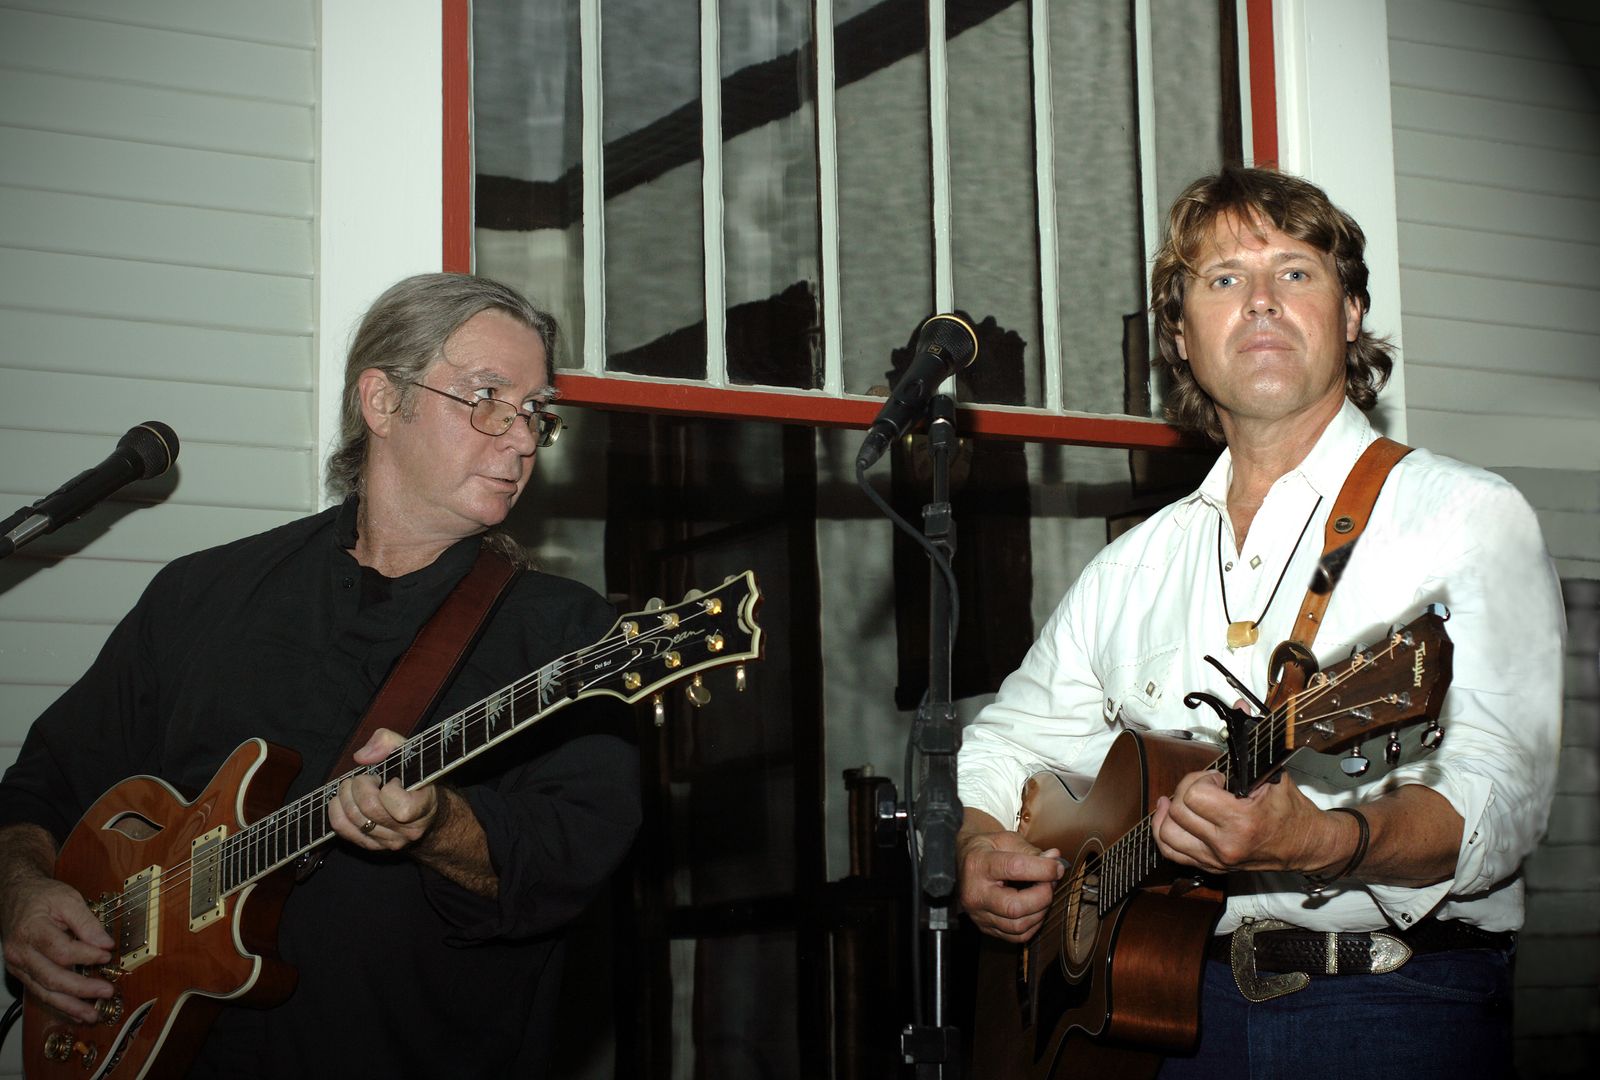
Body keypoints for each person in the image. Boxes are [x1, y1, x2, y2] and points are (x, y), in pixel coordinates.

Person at [956, 167, 1562, 1078]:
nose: (1262, 300)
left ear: (1350, 312)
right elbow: (1004, 743)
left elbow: (1504, 794)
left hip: (1391, 1006)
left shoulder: (1468, 516)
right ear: (1181, 334)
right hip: (1158, 1013)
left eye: (1296, 272)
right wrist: (977, 846)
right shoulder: (1131, 567)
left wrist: (1325, 841)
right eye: (1225, 278)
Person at [0, 273, 642, 1077]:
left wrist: (440, 823)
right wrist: (20, 890)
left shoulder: (567, 634)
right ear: (383, 400)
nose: (520, 439)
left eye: (535, 412)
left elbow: (573, 856)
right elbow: (44, 784)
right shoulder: (202, 593)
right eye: (487, 398)